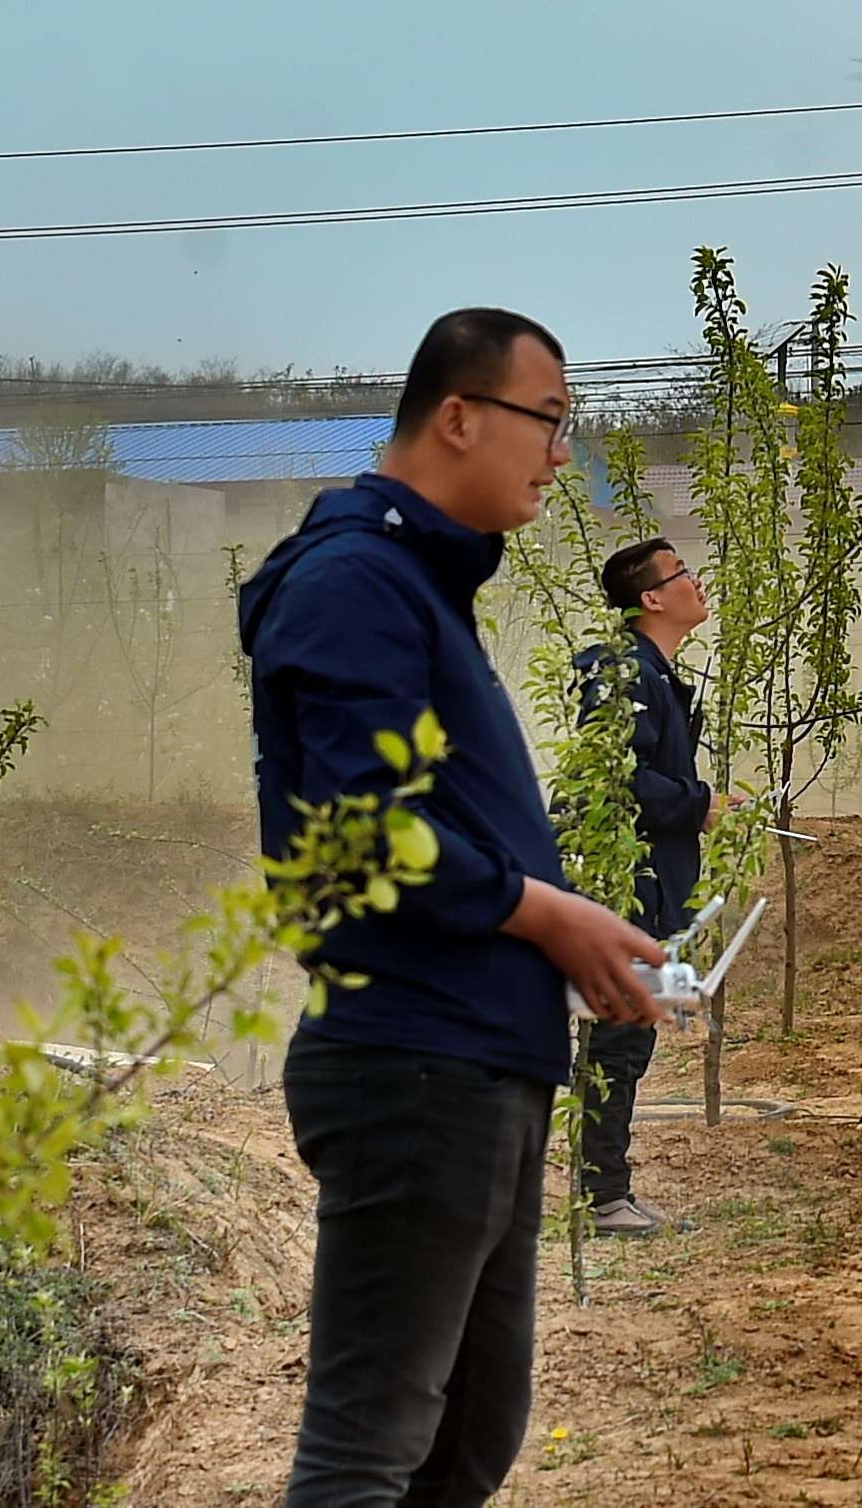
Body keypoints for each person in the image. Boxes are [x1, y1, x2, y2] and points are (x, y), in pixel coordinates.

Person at [239, 307, 664, 1508]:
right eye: (550, 421)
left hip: (474, 1059)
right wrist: (544, 914)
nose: (559, 454)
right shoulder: (354, 583)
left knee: (464, 1442)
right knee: (367, 1457)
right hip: (413, 1061)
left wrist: (558, 930)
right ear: (460, 414)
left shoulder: (415, 581)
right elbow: (358, 824)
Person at [566, 533, 716, 1241]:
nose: (698, 582)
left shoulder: (653, 675)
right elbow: (617, 777)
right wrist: (697, 804)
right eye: (683, 573)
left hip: (650, 887)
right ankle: (602, 1196)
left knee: (629, 1038)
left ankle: (605, 1190)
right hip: (625, 888)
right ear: (651, 597)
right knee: (618, 1041)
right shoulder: (622, 673)